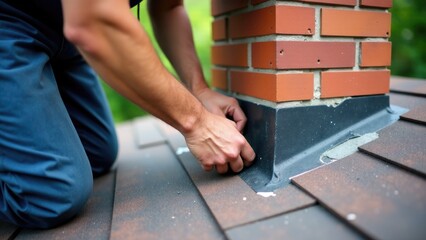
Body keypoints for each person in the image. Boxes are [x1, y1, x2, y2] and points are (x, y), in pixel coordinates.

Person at [0, 0, 255, 229]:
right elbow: (92, 23)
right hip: (10, 22)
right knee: (51, 195)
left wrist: (199, 90)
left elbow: (168, 7)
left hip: (62, 35)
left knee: (98, 154)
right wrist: (198, 124)